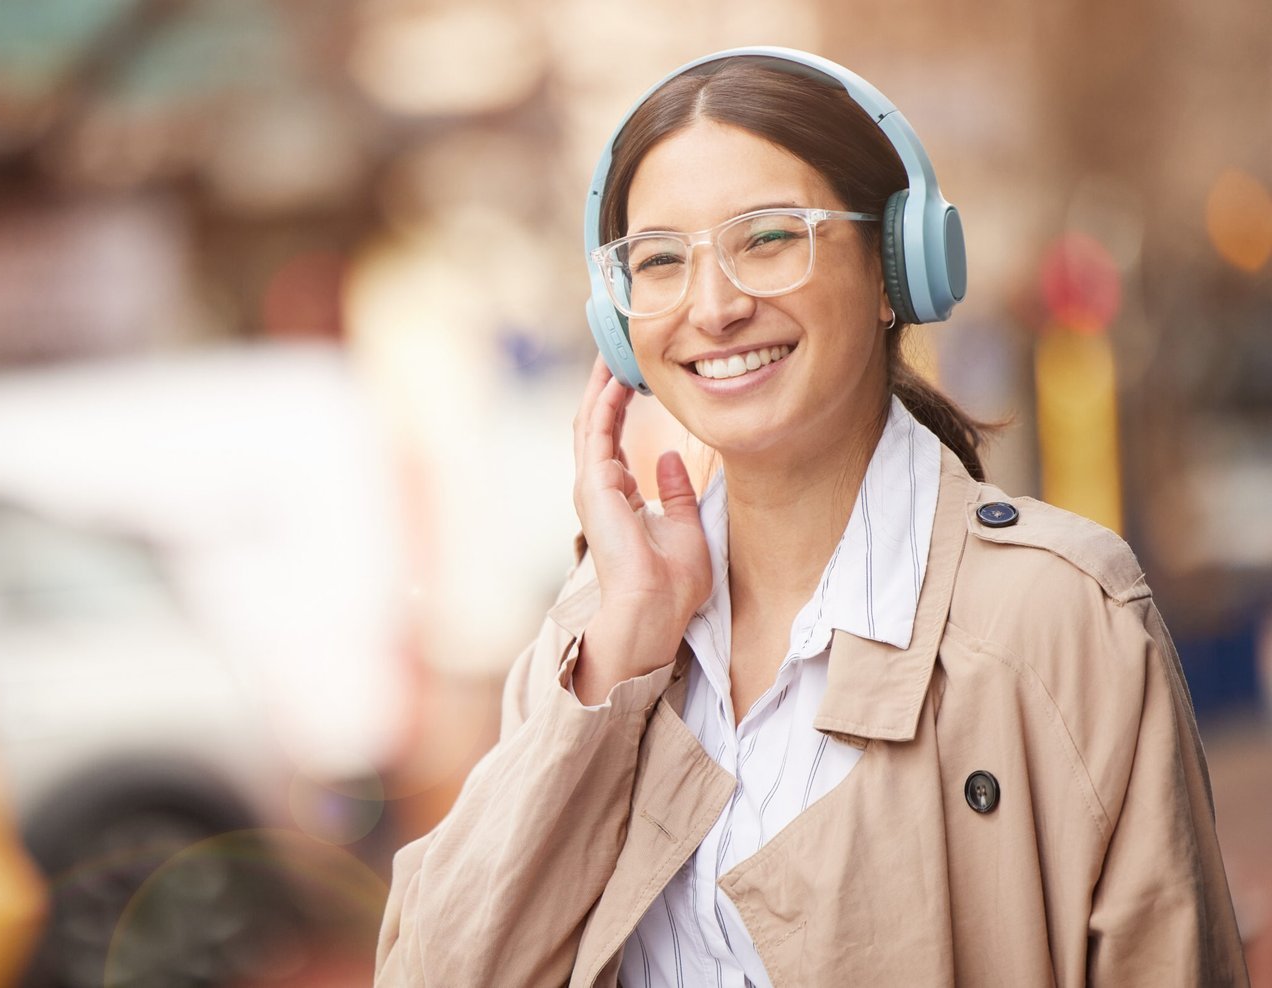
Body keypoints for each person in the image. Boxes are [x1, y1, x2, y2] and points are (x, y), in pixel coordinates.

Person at [374, 47, 1248, 987]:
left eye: (767, 238)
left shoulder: (1061, 615)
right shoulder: (597, 636)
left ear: (894, 268)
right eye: (660, 260)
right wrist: (616, 665)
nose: (712, 307)